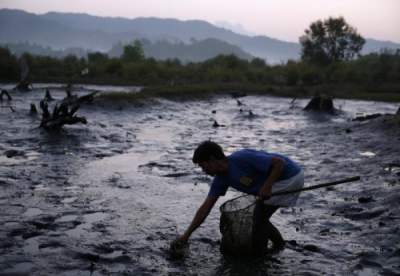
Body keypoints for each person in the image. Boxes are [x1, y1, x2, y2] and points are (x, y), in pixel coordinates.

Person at [171, 141, 304, 253]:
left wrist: (267, 186)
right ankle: (278, 245)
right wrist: (186, 235)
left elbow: (279, 163)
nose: (203, 170)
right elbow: (206, 208)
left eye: (202, 165)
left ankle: (275, 247)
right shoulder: (220, 179)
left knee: (258, 219)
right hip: (277, 182)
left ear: (212, 160)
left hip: (289, 177)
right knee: (259, 219)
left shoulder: (241, 158)